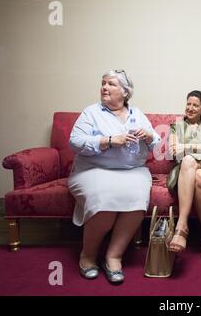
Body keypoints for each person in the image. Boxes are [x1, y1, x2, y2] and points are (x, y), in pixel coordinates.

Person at [68, 70, 161, 284]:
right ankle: (88, 256)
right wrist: (108, 140)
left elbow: (156, 144)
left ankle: (113, 256)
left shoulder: (137, 113)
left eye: (111, 84)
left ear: (125, 92)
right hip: (93, 169)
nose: (104, 87)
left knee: (138, 197)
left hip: (133, 170)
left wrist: (149, 136)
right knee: (104, 198)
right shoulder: (91, 112)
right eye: (103, 83)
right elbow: (75, 142)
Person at [166, 90, 201, 263]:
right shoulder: (176, 126)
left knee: (191, 161)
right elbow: (174, 151)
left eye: (195, 105)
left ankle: (181, 228)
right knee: (200, 176)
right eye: (188, 104)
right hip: (181, 170)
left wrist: (186, 147)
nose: (190, 108)